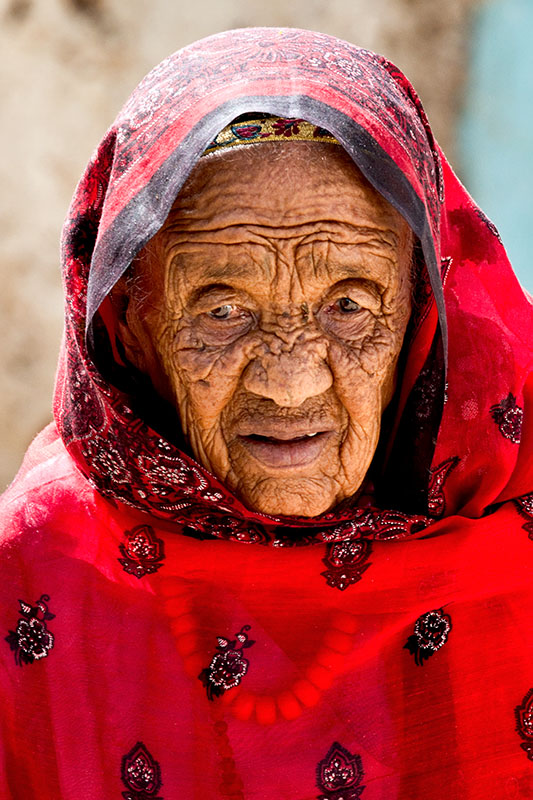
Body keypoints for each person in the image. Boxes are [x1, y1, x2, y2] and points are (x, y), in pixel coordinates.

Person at [1, 27, 533, 799]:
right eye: (221, 312)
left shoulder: (513, 551)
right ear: (127, 324)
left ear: (425, 311)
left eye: (349, 305)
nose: (288, 383)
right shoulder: (36, 571)